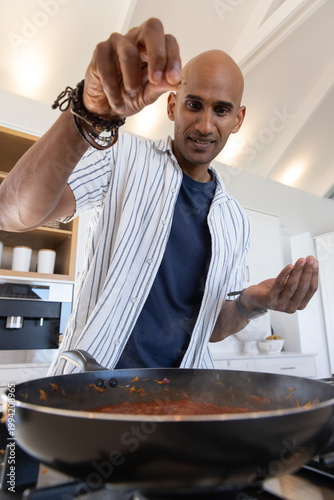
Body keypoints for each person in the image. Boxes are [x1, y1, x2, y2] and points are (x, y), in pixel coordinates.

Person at [0, 18, 318, 375]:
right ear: (171, 106)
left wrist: (250, 303)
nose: (205, 125)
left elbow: (208, 329)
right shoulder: (121, 157)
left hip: (180, 407)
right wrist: (87, 114)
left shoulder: (235, 222)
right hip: (88, 395)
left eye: (222, 110)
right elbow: (12, 213)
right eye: (194, 104)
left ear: (239, 119)